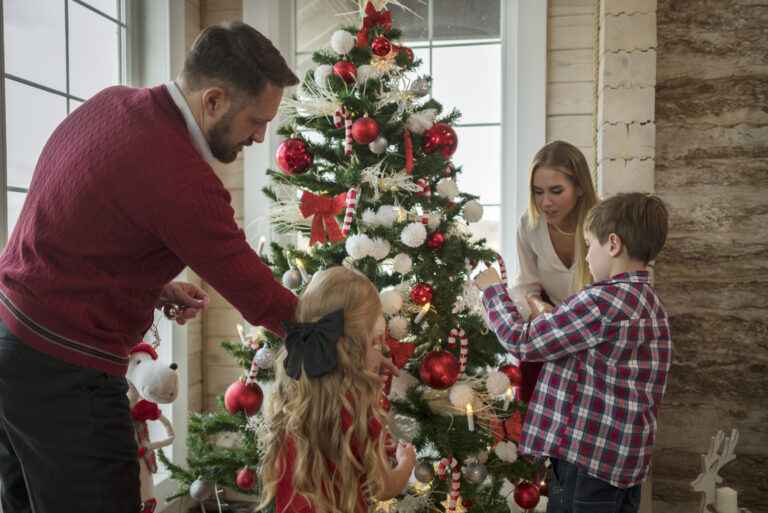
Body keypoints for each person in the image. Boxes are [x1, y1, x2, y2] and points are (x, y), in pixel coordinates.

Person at [0, 22, 300, 513]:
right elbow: (259, 294)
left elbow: (74, 226)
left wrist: (152, 285)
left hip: (10, 341)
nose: (261, 135)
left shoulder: (112, 103)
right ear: (214, 101)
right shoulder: (181, 176)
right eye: (255, 121)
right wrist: (333, 328)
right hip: (62, 371)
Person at [475, 193, 671, 513]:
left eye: (590, 245)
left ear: (613, 244)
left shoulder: (602, 302)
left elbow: (521, 341)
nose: (587, 255)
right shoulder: (649, 302)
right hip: (623, 464)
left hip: (586, 463)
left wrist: (493, 291)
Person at [259, 266, 417, 513]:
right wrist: (406, 464)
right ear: (355, 344)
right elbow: (383, 487)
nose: (378, 348)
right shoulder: (358, 408)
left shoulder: (292, 393)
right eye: (373, 340)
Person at [512, 140, 598, 403]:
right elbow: (526, 285)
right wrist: (538, 306)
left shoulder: (603, 223)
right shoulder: (529, 225)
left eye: (556, 191)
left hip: (593, 332)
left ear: (580, 187)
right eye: (538, 192)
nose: (545, 202)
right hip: (550, 330)